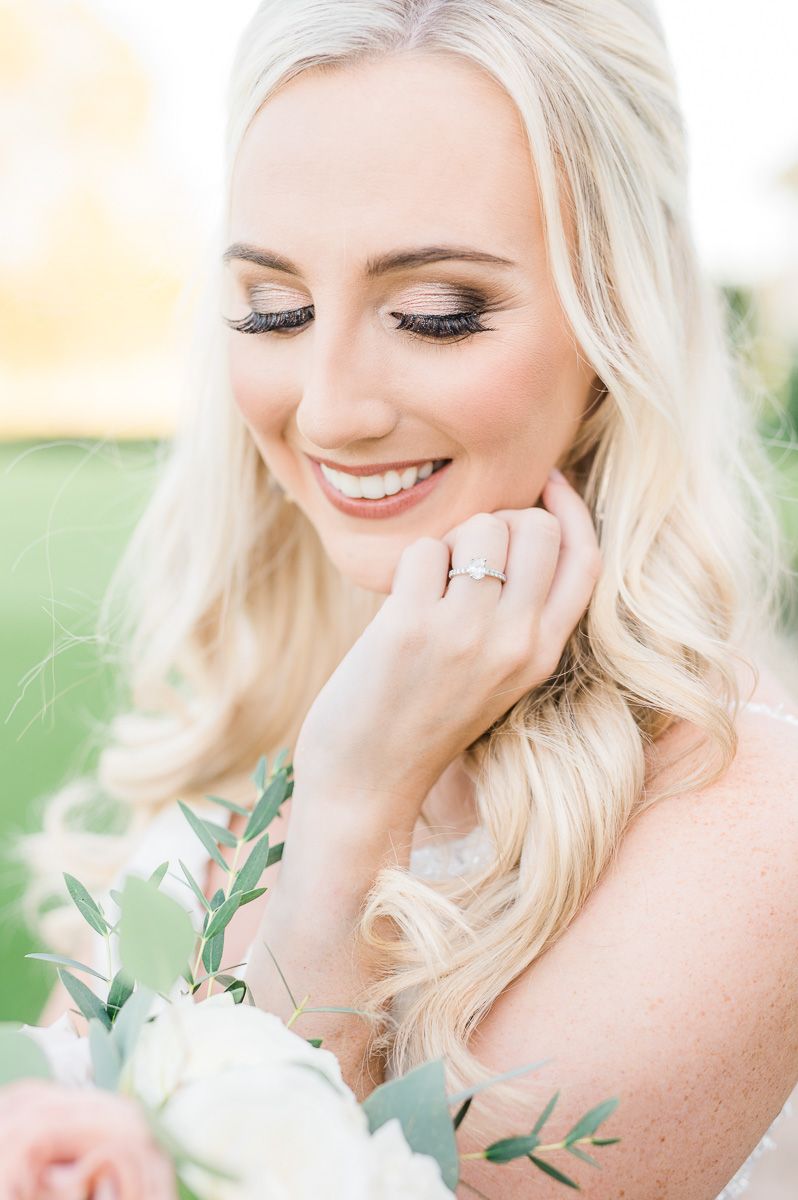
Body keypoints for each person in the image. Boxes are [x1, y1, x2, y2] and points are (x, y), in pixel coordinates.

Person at [7, 1, 798, 1197]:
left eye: (435, 315)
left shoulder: (749, 831)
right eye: (275, 309)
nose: (329, 409)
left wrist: (351, 808)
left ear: (615, 320)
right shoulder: (242, 731)